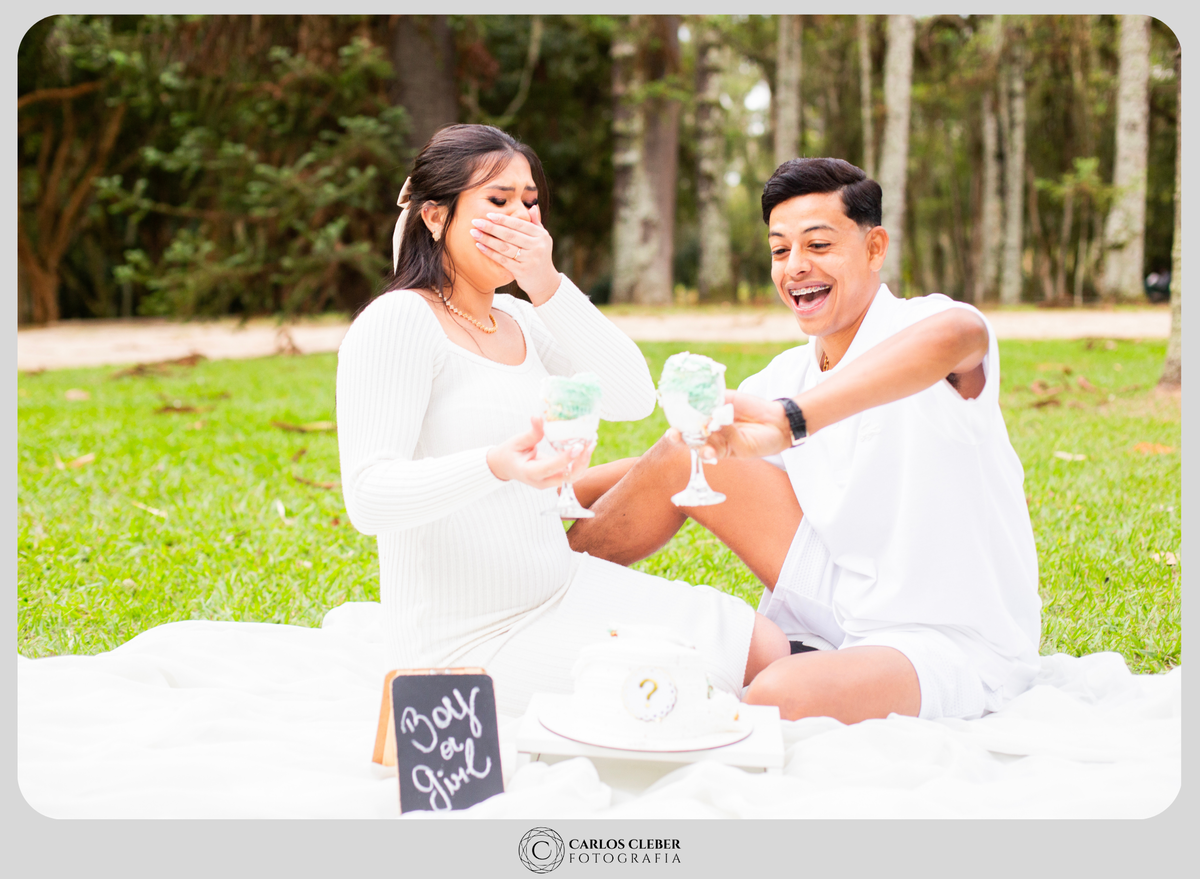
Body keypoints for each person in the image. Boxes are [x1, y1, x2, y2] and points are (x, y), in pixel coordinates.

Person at [569, 157, 1042, 724]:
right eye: (780, 250)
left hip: (944, 639)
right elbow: (671, 461)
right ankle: (543, 589)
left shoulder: (924, 325)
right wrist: (535, 488)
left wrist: (792, 419)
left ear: (874, 248)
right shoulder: (786, 373)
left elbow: (961, 335)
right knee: (686, 447)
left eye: (818, 245)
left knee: (776, 696)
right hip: (840, 596)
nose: (796, 266)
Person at [336, 124, 788, 716]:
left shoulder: (518, 318)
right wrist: (495, 465)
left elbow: (633, 397)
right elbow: (369, 497)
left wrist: (546, 284)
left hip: (564, 588)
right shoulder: (398, 320)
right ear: (435, 217)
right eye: (497, 201)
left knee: (764, 646)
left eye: (529, 203)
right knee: (702, 695)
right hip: (470, 642)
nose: (521, 218)